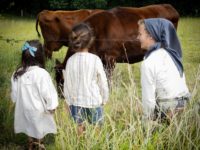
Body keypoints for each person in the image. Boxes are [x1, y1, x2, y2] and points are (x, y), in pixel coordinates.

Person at [136, 18, 190, 122]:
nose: (137, 37)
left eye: (140, 34)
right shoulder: (173, 55)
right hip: (186, 104)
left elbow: (149, 100)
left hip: (168, 109)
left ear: (150, 35)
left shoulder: (149, 62)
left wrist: (146, 123)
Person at [11, 40, 58, 149]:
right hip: (38, 109)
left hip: (23, 109)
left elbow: (14, 96)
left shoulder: (17, 73)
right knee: (38, 128)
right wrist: (52, 106)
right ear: (41, 56)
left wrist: (16, 101)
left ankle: (30, 144)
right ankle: (39, 144)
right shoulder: (42, 74)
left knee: (29, 127)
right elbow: (48, 93)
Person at [63, 23, 109, 135]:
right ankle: (96, 145)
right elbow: (103, 82)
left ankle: (81, 145)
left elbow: (67, 84)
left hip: (76, 102)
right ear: (90, 40)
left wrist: (68, 102)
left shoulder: (70, 61)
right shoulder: (95, 59)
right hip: (93, 101)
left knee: (79, 127)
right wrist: (104, 98)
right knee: (97, 127)